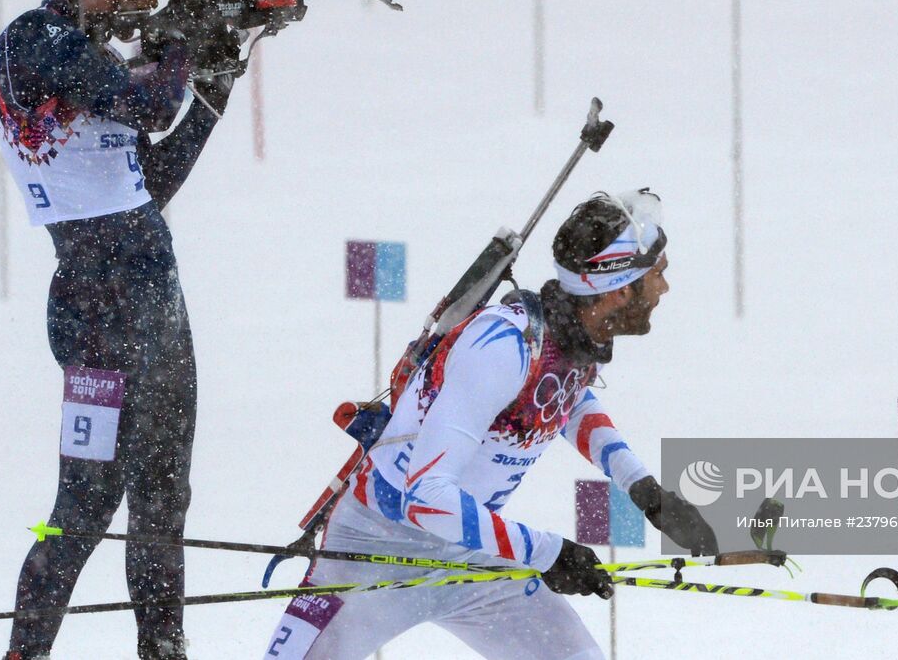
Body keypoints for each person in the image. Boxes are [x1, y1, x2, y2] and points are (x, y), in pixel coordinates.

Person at [263, 190, 717, 660]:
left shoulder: (569, 334)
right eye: (657, 274)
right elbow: (427, 498)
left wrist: (645, 490)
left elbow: (568, 401)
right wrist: (548, 553)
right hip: (379, 548)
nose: (664, 288)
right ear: (620, 288)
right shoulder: (502, 346)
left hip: (470, 551)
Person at [0, 0, 236, 660]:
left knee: (164, 502)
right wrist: (183, 50)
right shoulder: (37, 44)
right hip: (99, 306)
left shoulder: (99, 68)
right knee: (84, 507)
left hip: (155, 298)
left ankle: (163, 649)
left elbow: (146, 184)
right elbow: (152, 102)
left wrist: (215, 89)